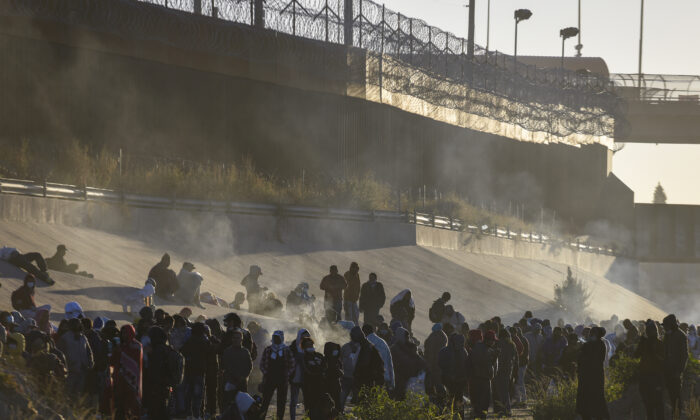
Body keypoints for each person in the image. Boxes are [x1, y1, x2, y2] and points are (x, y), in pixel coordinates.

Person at [576, 326, 610, 420]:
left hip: (593, 377)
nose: (590, 334)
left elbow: (592, 360)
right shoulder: (591, 344)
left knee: (595, 401)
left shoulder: (598, 344)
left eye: (592, 333)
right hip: (589, 377)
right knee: (587, 402)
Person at [260, 330, 295, 420]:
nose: (276, 339)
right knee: (265, 401)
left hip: (282, 380)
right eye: (274, 337)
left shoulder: (286, 350)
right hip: (269, 379)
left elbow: (292, 364)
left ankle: (279, 418)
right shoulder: (268, 349)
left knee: (281, 402)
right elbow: (262, 363)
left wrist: (287, 374)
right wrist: (265, 373)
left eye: (277, 337)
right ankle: (261, 417)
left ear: (281, 338)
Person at [180, 322, 212, 420]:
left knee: (188, 394)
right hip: (200, 372)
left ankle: (188, 414)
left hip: (189, 371)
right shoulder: (205, 341)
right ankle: (197, 415)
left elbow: (183, 351)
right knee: (198, 396)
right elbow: (209, 353)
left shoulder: (190, 341)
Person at [635, 319, 664, 420]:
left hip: (655, 377)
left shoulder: (659, 344)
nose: (649, 333)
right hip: (645, 376)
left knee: (657, 404)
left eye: (650, 331)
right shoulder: (645, 342)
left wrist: (651, 351)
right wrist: (642, 341)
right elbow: (636, 355)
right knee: (648, 405)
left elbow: (662, 361)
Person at [113, 324, 143, 420]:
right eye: (122, 333)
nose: (124, 335)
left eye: (126, 333)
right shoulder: (119, 347)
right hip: (121, 380)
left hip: (134, 380)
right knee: (121, 405)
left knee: (132, 404)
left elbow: (139, 364)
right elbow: (115, 363)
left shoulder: (137, 346)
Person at [662, 314, 688, 419]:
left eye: (666, 325)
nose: (664, 327)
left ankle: (678, 414)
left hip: (675, 371)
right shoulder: (667, 335)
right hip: (666, 370)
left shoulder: (681, 336)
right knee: (669, 393)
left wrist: (679, 371)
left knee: (676, 394)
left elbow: (684, 355)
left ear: (671, 325)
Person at [348, 326, 384, 403]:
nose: (352, 339)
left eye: (353, 337)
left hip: (366, 380)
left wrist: (356, 378)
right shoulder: (364, 346)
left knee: (365, 402)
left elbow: (364, 366)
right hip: (367, 379)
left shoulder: (366, 347)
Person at [439, 333, 470, 419]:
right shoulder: (462, 351)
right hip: (450, 382)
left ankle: (456, 417)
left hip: (455, 382)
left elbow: (440, 364)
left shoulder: (444, 351)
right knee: (453, 402)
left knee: (455, 402)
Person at [144, 326, 172, 420]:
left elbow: (156, 368)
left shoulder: (158, 350)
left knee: (157, 409)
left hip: (157, 384)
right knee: (162, 408)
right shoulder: (164, 347)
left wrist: (150, 354)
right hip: (163, 384)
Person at [469, 329, 498, 419]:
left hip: (475, 379)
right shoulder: (486, 350)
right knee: (484, 404)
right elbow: (488, 367)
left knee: (477, 404)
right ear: (488, 340)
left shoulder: (478, 347)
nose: (494, 342)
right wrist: (495, 358)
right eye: (493, 340)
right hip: (483, 379)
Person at [390, 327, 425, 400]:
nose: (407, 338)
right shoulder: (395, 348)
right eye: (406, 337)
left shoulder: (410, 347)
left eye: (408, 337)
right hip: (402, 378)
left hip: (407, 378)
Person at [222, 329, 253, 407]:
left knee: (242, 405)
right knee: (229, 405)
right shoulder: (227, 351)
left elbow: (249, 366)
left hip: (242, 383)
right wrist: (232, 377)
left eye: (238, 338)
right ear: (232, 339)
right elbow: (225, 365)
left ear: (241, 339)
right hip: (230, 382)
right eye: (234, 338)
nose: (236, 340)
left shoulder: (245, 352)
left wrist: (243, 377)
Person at [362, 324, 394, 390]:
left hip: (372, 378)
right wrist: (392, 381)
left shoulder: (366, 342)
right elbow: (390, 362)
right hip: (386, 377)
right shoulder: (383, 342)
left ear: (363, 332)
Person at [300, 337, 326, 419]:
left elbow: (325, 367)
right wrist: (318, 371)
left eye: (311, 344)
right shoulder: (303, 357)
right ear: (303, 347)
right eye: (307, 345)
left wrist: (320, 371)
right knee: (310, 407)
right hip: (308, 386)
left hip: (320, 384)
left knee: (320, 405)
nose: (310, 346)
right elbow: (306, 370)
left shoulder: (319, 355)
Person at [494, 328, 517, 417]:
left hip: (500, 370)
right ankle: (506, 409)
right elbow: (514, 359)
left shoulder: (499, 344)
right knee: (505, 390)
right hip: (508, 370)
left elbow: (499, 358)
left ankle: (506, 410)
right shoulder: (512, 344)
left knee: (501, 391)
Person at [289, 328, 311, 420]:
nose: (305, 337)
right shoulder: (293, 346)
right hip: (295, 376)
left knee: (307, 400)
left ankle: (307, 417)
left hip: (305, 377)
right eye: (304, 335)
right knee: (294, 401)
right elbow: (289, 360)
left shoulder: (309, 345)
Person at [424, 323, 448, 404]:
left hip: (434, 364)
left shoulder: (434, 337)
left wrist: (429, 365)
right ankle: (442, 399)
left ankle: (436, 400)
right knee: (439, 382)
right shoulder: (443, 336)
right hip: (441, 364)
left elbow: (430, 352)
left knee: (434, 383)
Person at [323, 341, 343, 412]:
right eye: (334, 350)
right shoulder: (324, 360)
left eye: (336, 350)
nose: (336, 351)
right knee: (328, 405)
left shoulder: (337, 360)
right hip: (327, 386)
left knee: (337, 405)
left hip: (336, 386)